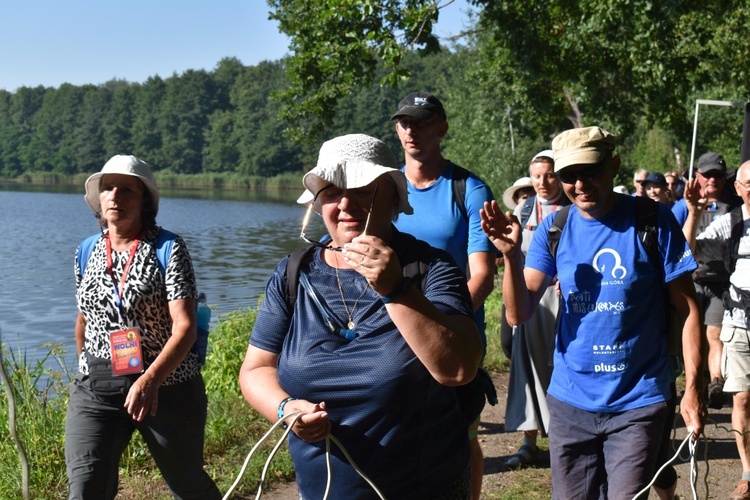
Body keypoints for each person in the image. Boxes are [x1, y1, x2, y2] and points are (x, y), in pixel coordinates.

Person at [239, 134, 482, 499]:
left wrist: (395, 288)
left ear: (394, 199)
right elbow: (256, 369)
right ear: (317, 204)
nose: (345, 203)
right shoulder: (293, 273)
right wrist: (287, 409)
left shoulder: (430, 268)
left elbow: (458, 369)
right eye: (331, 191)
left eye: (364, 189)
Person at [480, 126, 706, 499]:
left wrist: (693, 389)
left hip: (639, 401)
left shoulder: (653, 221)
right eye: (568, 175)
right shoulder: (554, 229)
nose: (579, 184)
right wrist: (509, 256)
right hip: (571, 402)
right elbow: (519, 314)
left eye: (590, 171)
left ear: (613, 165)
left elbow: (689, 310)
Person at [65, 155, 221, 500]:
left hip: (168, 385)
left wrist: (150, 380)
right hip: (99, 385)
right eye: (108, 188)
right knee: (85, 487)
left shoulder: (168, 247)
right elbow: (84, 319)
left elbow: (185, 327)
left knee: (188, 485)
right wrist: (86, 368)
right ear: (99, 198)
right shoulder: (86, 250)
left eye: (126, 190)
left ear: (144, 200)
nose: (115, 196)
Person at [389, 92, 496, 500]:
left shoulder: (468, 189)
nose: (411, 130)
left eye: (421, 121)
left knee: (460, 437)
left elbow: (482, 275)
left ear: (442, 128)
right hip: (392, 334)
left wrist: (437, 326)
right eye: (404, 122)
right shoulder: (386, 186)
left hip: (452, 330)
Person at [683, 160, 750, 499]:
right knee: (743, 397)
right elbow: (685, 252)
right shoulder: (731, 222)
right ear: (737, 188)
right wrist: (693, 214)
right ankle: (747, 473)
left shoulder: (731, 213)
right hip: (739, 319)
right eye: (747, 183)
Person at [503, 150, 570, 468]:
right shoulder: (524, 208)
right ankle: (529, 439)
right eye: (537, 176)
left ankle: (565, 436)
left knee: (564, 366)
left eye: (550, 175)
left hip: (568, 301)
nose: (543, 182)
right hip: (531, 301)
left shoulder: (574, 208)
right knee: (526, 366)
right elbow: (513, 254)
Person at [673, 152, 741, 409]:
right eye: (707, 174)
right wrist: (693, 212)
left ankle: (716, 382)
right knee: (692, 336)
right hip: (689, 282)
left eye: (717, 175)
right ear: (697, 176)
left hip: (721, 285)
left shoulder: (735, 209)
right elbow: (680, 251)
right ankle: (694, 384)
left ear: (725, 179)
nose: (712, 179)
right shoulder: (682, 207)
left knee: (715, 333)